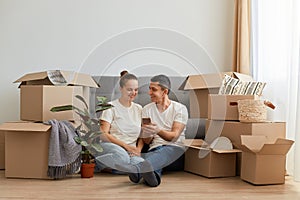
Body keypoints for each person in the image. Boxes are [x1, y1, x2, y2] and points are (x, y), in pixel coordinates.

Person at [117, 74, 188, 187]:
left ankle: (138, 171)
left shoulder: (180, 109)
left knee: (159, 155)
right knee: (152, 161)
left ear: (164, 92)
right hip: (154, 149)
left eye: (153, 89)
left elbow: (174, 137)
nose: (149, 92)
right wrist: (147, 134)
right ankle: (153, 179)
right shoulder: (147, 109)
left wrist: (157, 130)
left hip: (175, 151)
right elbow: (147, 141)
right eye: (149, 89)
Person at [94, 71, 145, 174]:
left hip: (131, 151)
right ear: (121, 89)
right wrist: (126, 146)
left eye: (136, 90)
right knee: (122, 158)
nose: (133, 93)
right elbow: (103, 134)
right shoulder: (110, 107)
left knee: (140, 164)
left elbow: (142, 135)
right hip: (112, 147)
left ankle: (112, 169)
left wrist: (138, 149)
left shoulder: (139, 109)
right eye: (129, 89)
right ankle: (98, 163)